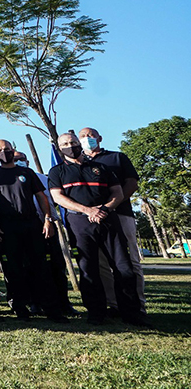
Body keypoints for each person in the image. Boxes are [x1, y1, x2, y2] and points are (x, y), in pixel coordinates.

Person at [48, 133, 147, 326]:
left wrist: (104, 209)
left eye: (74, 142)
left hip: (108, 220)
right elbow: (58, 197)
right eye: (66, 144)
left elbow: (117, 193)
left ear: (79, 144)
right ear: (60, 148)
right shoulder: (57, 172)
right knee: (88, 269)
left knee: (123, 266)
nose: (71, 146)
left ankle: (132, 313)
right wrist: (87, 210)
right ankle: (96, 313)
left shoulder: (101, 167)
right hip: (79, 223)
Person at [0, 140, 67, 322]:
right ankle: (21, 309)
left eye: (6, 149)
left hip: (32, 224)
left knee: (41, 267)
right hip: (7, 227)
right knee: (13, 269)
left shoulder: (26, 172)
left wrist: (47, 220)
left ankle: (52, 310)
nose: (3, 152)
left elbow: (41, 196)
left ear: (12, 150)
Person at [79, 126, 146, 314]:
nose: (87, 139)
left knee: (130, 260)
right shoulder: (78, 163)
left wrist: (111, 205)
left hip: (120, 214)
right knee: (101, 263)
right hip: (92, 219)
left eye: (90, 135)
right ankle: (114, 304)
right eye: (83, 136)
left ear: (99, 137)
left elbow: (132, 183)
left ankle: (137, 304)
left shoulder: (117, 157)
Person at [13, 151, 76, 315]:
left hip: (47, 225)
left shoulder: (43, 178)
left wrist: (50, 220)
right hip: (26, 228)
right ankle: (35, 302)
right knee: (31, 268)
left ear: (27, 160)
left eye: (21, 159)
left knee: (57, 266)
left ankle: (63, 302)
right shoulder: (10, 180)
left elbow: (51, 201)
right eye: (15, 160)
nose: (19, 162)